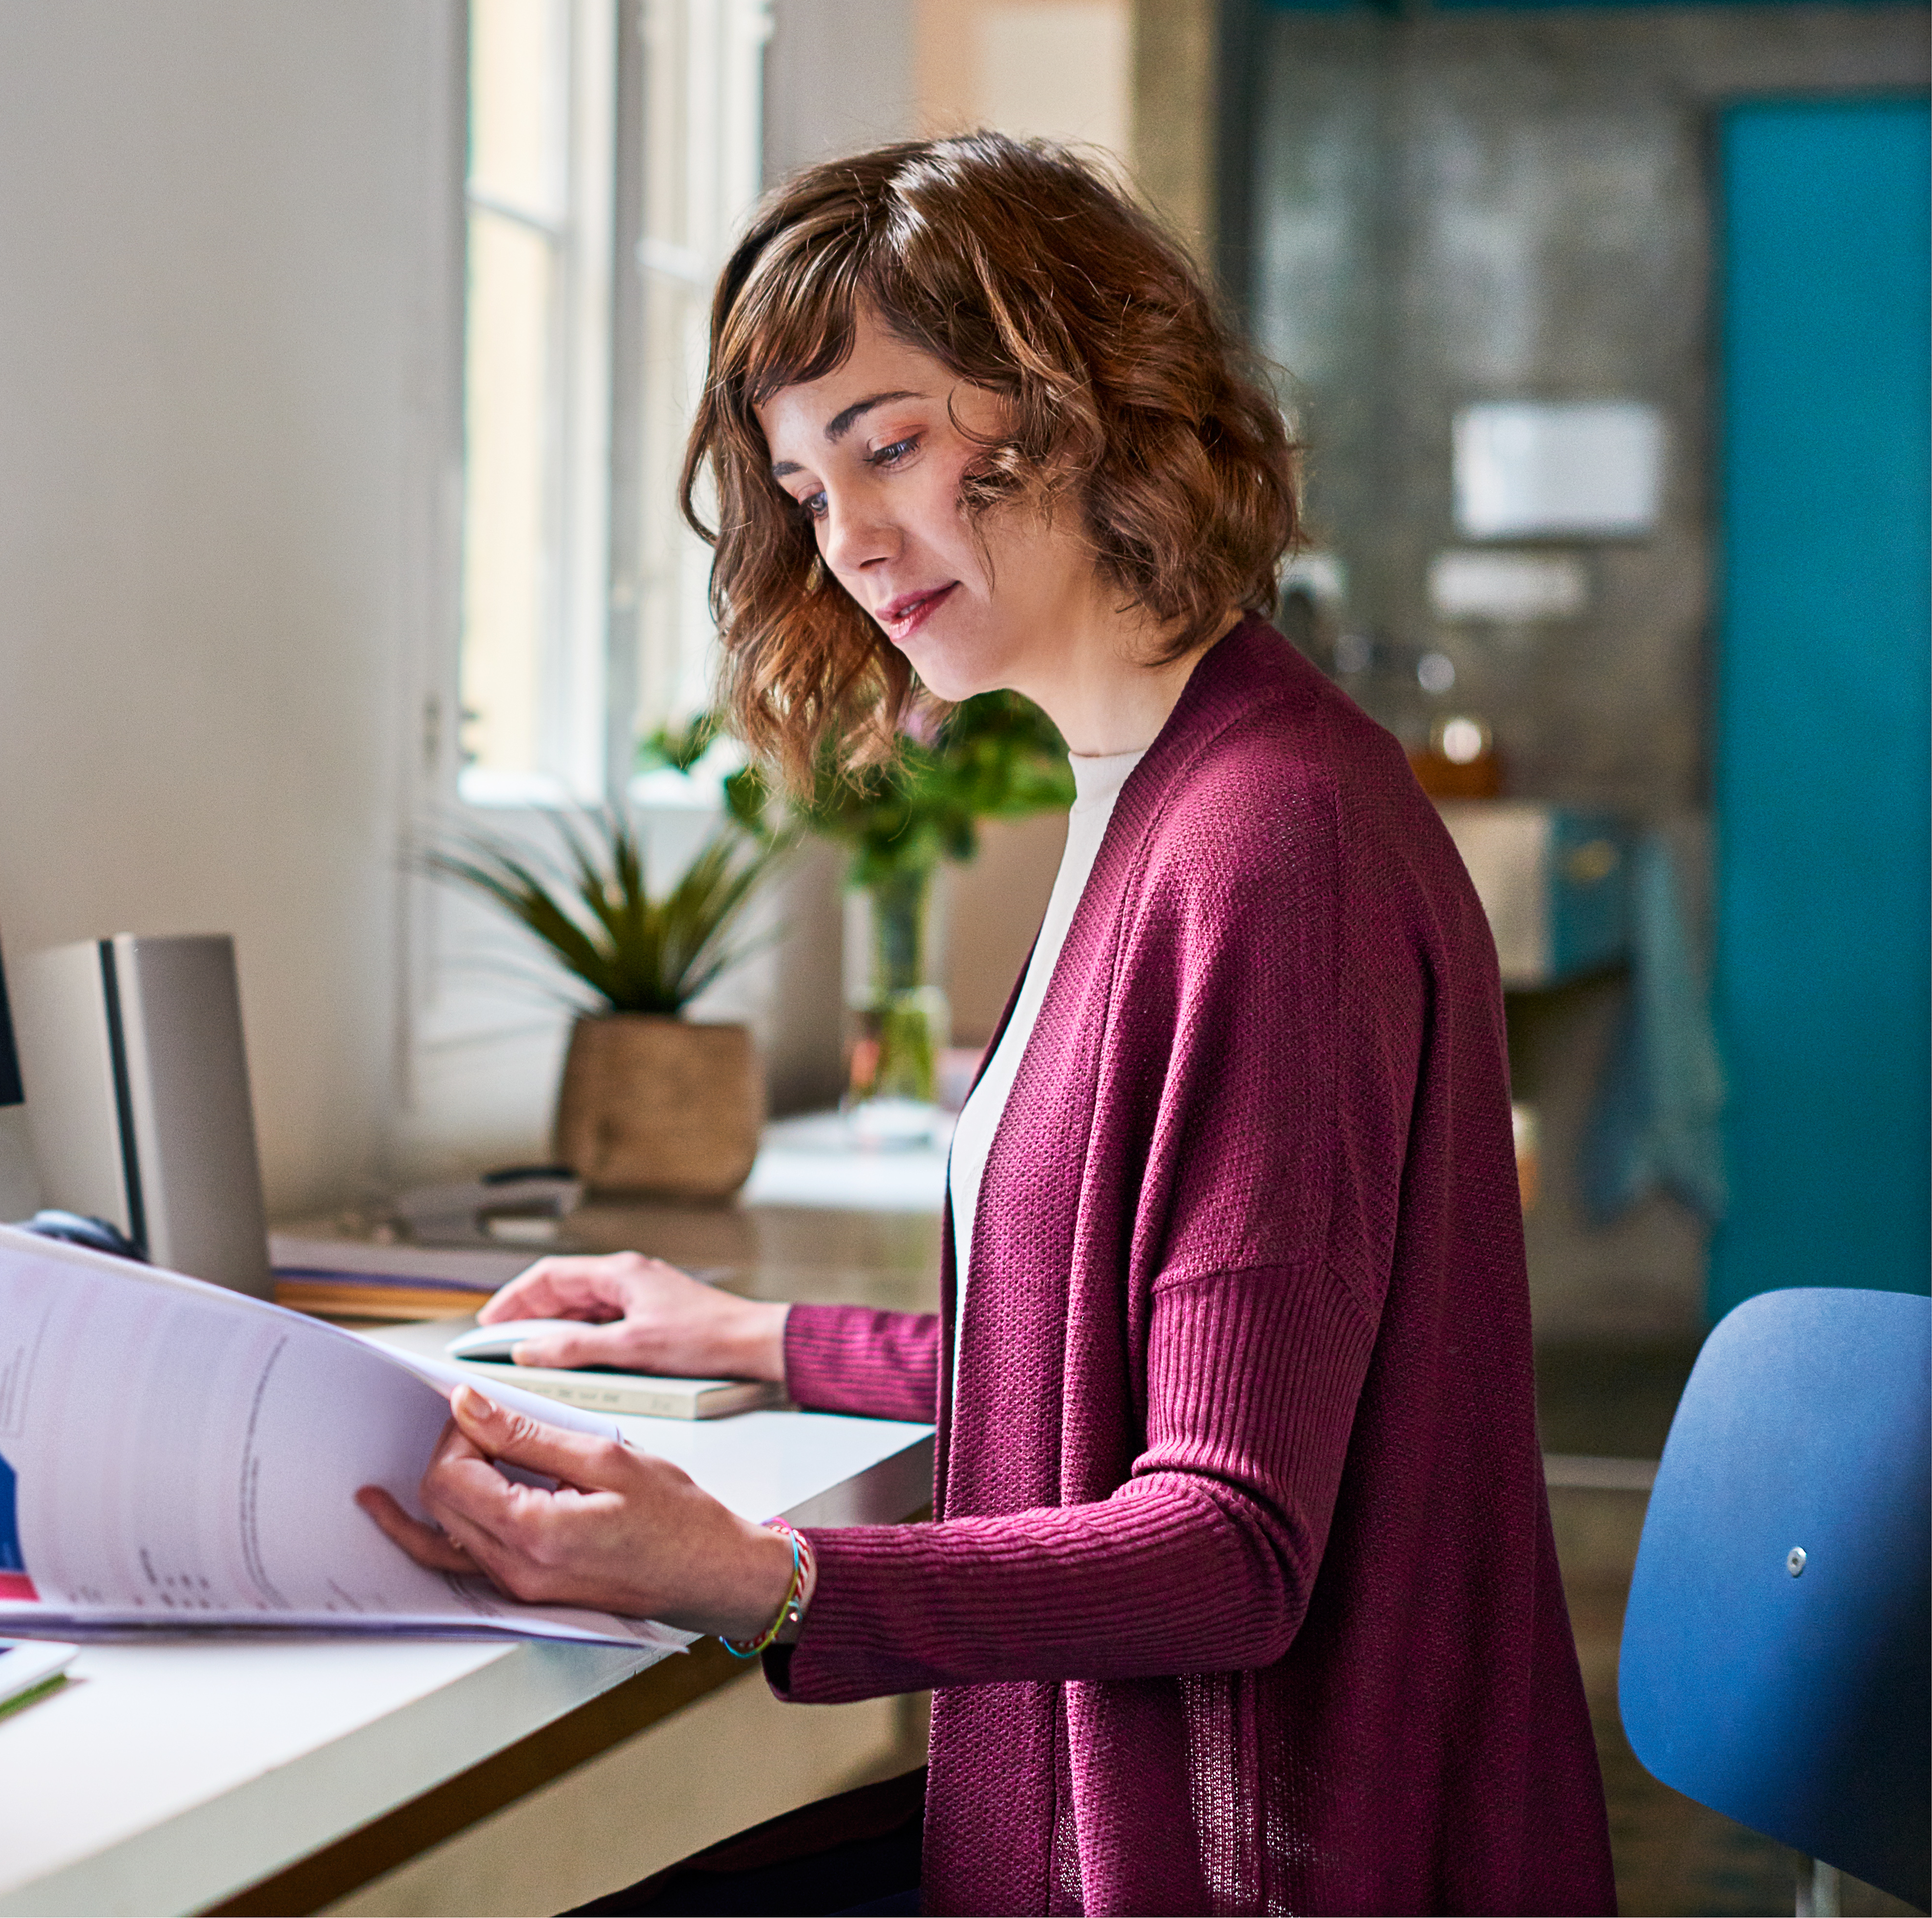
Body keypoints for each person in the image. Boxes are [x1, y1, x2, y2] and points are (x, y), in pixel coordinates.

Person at [358, 134, 1614, 1916]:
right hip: (1125, 1822)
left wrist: (757, 1576)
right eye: (803, 489)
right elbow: (1124, 1350)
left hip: (1242, 1860)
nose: (852, 540)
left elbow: (1230, 1548)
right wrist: (755, 1332)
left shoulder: (1274, 845)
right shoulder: (1155, 787)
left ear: (1088, 395)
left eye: (890, 443)